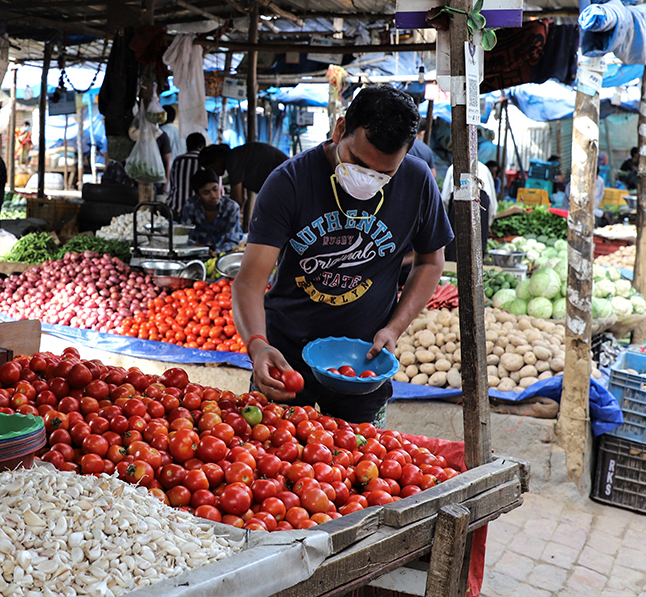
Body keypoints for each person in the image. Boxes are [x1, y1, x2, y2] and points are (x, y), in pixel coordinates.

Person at [232, 85, 452, 425]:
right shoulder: (288, 182)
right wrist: (258, 345)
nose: (368, 178)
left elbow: (430, 262)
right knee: (271, 464)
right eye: (358, 162)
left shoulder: (417, 180)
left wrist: (394, 328)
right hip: (286, 355)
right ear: (339, 129)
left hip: (365, 362)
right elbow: (248, 282)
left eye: (384, 173)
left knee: (362, 471)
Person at [198, 141, 289, 230]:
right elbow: (243, 197)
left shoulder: (232, 160)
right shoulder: (238, 156)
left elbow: (236, 199)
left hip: (286, 186)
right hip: (283, 188)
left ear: (217, 160)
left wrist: (224, 223)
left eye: (211, 168)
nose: (213, 172)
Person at [181, 168, 243, 255]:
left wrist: (217, 252)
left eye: (215, 189)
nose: (213, 196)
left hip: (223, 252)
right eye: (206, 193)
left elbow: (232, 240)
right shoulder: (191, 205)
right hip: (196, 252)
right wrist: (197, 247)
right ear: (198, 195)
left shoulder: (231, 207)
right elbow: (185, 236)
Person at [167, 133, 206, 219]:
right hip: (201, 212)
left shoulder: (178, 160)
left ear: (187, 146)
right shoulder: (207, 162)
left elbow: (173, 183)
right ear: (203, 146)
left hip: (176, 208)